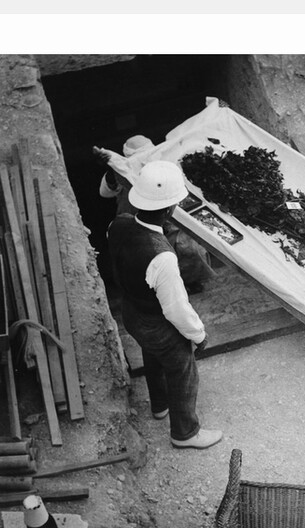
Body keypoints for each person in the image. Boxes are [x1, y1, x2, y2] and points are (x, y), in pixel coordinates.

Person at [106, 160, 223, 450]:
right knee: (182, 365)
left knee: (152, 354)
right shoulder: (162, 257)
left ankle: (159, 405)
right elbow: (176, 308)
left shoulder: (117, 225)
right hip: (156, 321)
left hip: (132, 312)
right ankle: (185, 433)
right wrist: (199, 335)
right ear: (171, 209)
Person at [94, 136, 215, 294]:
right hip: (138, 223)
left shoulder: (164, 165)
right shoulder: (122, 171)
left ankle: (192, 282)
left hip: (168, 219)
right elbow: (105, 192)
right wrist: (113, 170)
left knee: (187, 247)